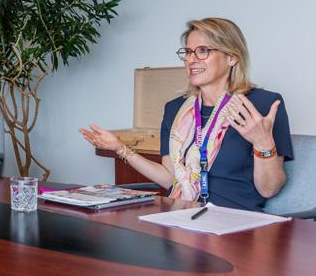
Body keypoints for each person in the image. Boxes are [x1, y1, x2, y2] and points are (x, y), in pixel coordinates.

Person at [80, 17, 293, 211]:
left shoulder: (261, 105)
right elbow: (170, 179)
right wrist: (120, 148)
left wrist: (263, 142)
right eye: (188, 52)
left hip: (236, 220)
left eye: (203, 51)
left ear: (232, 57)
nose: (191, 59)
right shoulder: (175, 109)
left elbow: (269, 189)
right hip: (181, 215)